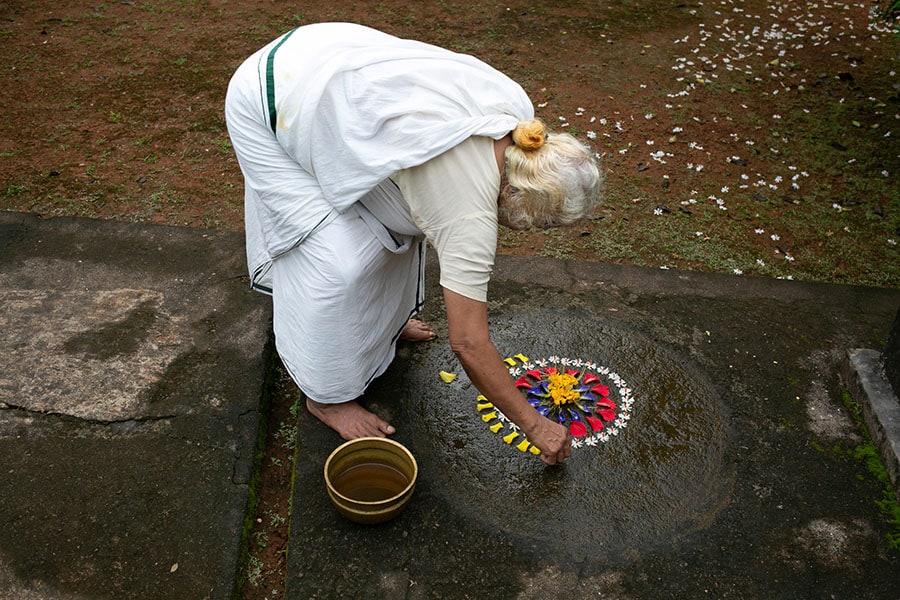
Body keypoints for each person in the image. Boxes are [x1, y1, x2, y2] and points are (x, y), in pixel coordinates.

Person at [225, 22, 601, 466]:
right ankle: (325, 397)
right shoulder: (466, 208)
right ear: (516, 200)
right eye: (540, 226)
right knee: (338, 262)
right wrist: (535, 425)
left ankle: (382, 326)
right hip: (274, 94)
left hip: (329, 62)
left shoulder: (521, 123)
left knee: (398, 223)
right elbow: (468, 342)